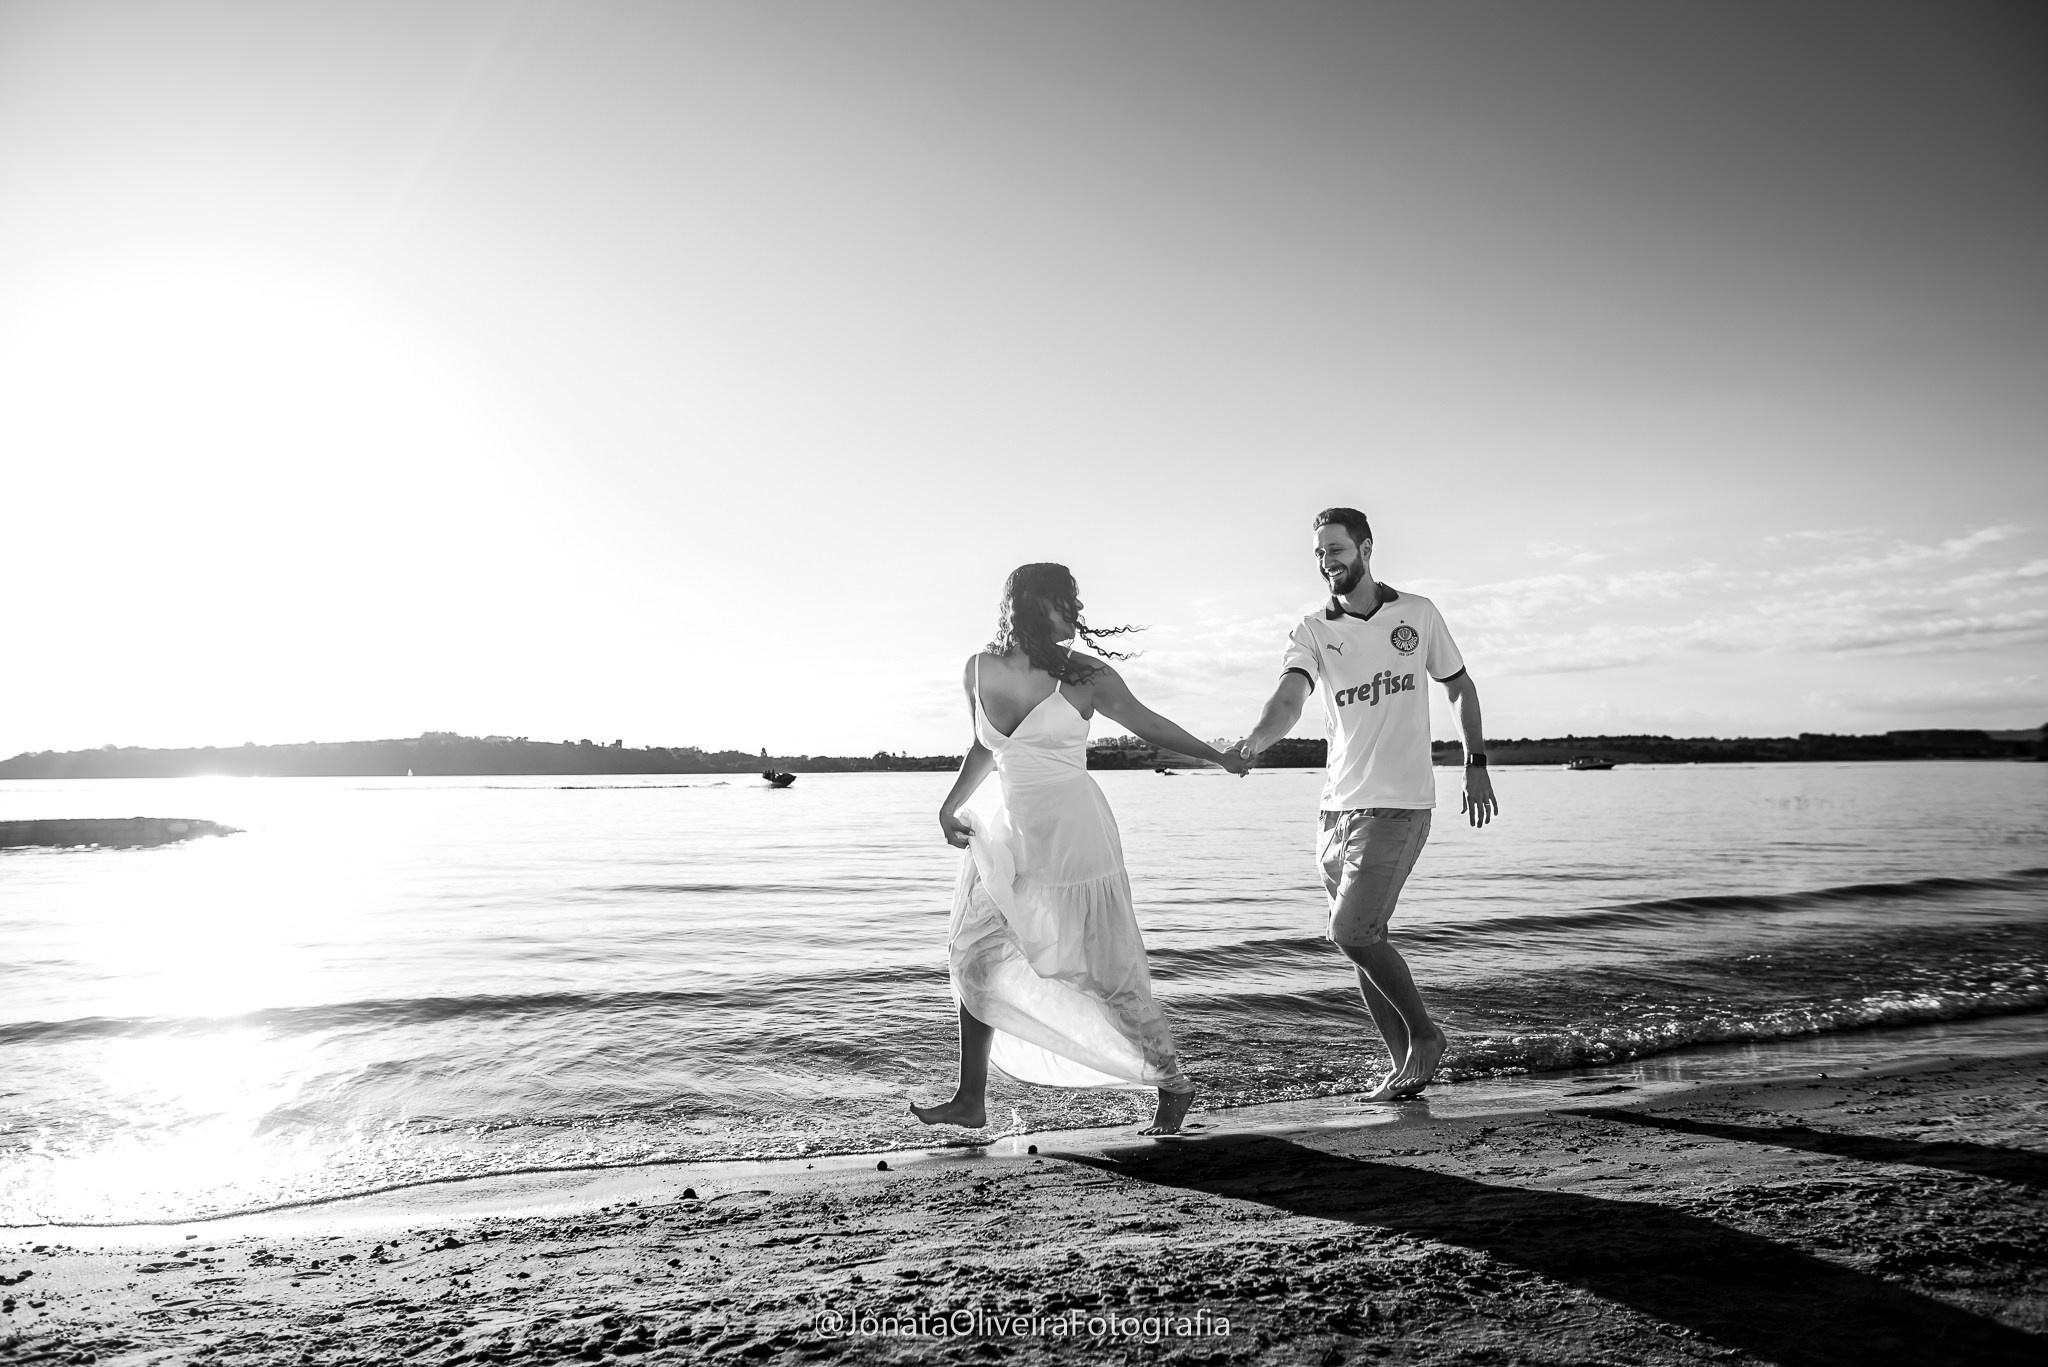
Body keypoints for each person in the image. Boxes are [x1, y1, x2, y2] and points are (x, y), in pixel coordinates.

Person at [913, 563, 1248, 1136]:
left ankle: (1173, 1083)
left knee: (1108, 971)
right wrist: (949, 806)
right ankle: (970, 1099)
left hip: (1075, 835)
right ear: (1032, 604)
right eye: (1066, 600)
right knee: (974, 955)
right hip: (1009, 833)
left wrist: (1217, 756)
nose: (1077, 611)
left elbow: (1147, 724)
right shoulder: (978, 668)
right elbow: (985, 747)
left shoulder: (1086, 675)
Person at [1232, 507, 1497, 1101]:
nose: (1327, 562)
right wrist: (1255, 740)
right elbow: (1289, 698)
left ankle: (1426, 1036)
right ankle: (1403, 1066)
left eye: (1336, 549)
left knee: (1350, 932)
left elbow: (1458, 685)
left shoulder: (1417, 614)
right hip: (1335, 811)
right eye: (1319, 553)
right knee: (1363, 940)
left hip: (1400, 804)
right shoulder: (1312, 629)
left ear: (1366, 548)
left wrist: (1474, 762)